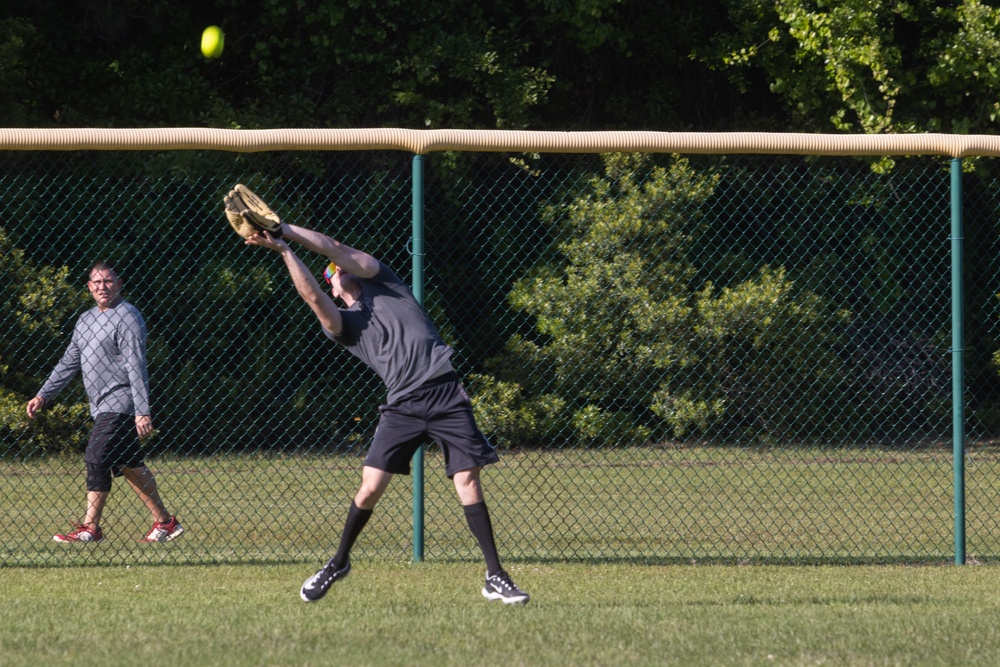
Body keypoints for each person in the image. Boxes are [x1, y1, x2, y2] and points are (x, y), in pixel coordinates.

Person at [244, 220, 529, 605]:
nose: (340, 270)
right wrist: (285, 252)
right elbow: (312, 298)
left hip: (445, 392)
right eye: (333, 274)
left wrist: (283, 229)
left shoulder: (388, 283)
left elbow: (334, 247)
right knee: (370, 488)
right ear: (332, 285)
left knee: (468, 482)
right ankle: (338, 562)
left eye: (341, 268)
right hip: (403, 406)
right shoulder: (344, 326)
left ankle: (495, 575)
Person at [26, 262, 183, 544]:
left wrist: (142, 410)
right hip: (100, 405)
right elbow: (69, 361)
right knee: (129, 464)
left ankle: (90, 528)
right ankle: (165, 523)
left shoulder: (128, 317)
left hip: (121, 402)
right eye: (96, 282)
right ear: (89, 287)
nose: (102, 286)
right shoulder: (85, 320)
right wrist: (43, 394)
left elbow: (137, 366)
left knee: (96, 456)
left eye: (108, 281)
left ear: (119, 284)